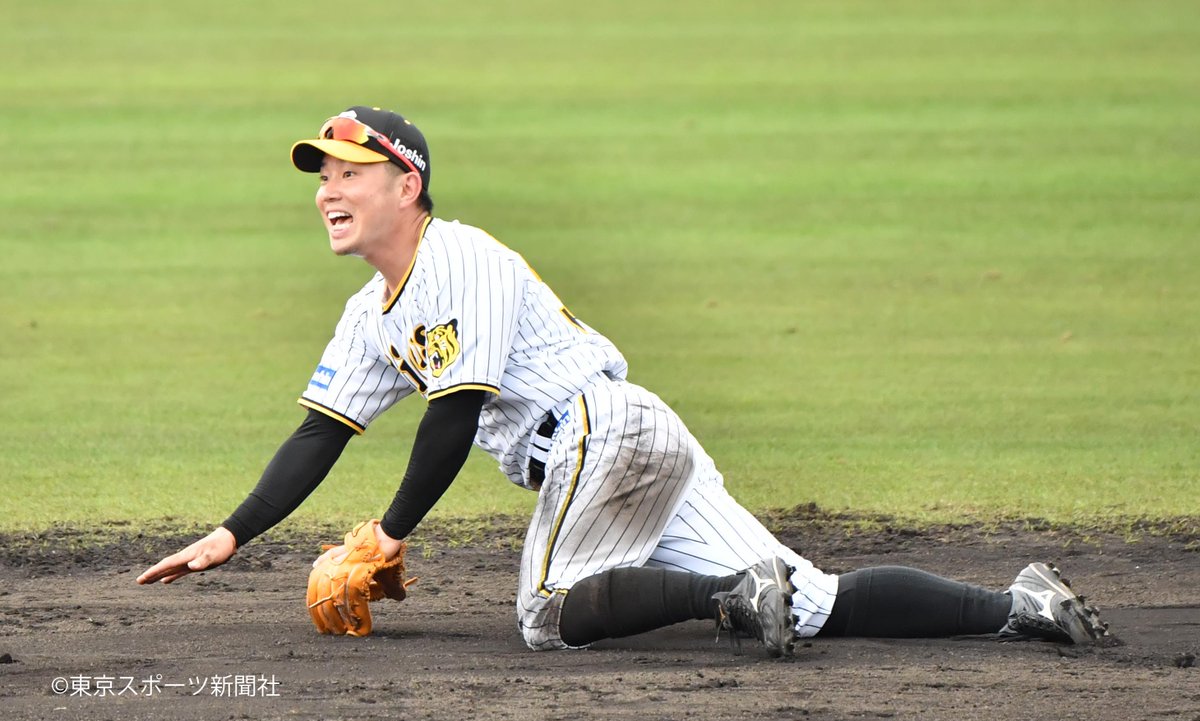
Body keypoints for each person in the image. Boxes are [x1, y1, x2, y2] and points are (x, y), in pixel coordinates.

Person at [137, 106, 1110, 656]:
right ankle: (1018, 604)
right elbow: (319, 433)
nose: (327, 190)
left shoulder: (460, 256)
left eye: (348, 171)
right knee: (813, 601)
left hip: (603, 434)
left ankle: (726, 592)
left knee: (544, 617)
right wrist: (230, 533)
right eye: (321, 175)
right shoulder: (367, 318)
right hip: (627, 445)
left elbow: (458, 412)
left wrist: (390, 533)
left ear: (408, 184)